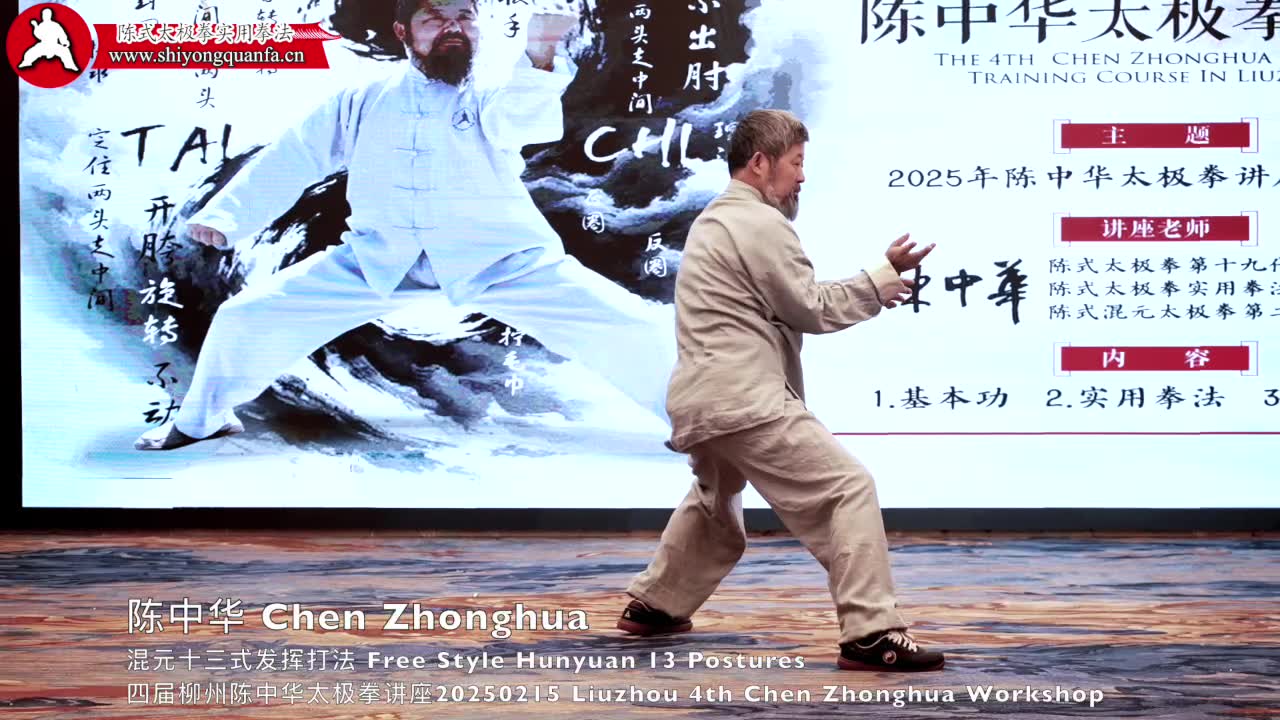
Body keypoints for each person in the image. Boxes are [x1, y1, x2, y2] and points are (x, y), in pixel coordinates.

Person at [135, 0, 675, 451]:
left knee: (633, 324)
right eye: (435, 18)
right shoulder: (363, 99)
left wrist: (540, 53)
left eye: (464, 17)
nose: (452, 28)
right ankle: (202, 421)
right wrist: (229, 218)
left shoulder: (490, 91)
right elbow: (297, 154)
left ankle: (703, 421)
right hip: (378, 257)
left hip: (501, 258)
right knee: (245, 318)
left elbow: (519, 120)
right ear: (403, 32)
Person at [616, 109, 944, 672]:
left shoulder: (716, 220)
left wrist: (876, 278)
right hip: (744, 398)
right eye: (796, 163)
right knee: (847, 489)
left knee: (715, 506)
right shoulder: (759, 222)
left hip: (703, 399)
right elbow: (808, 306)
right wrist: (879, 280)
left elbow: (786, 303)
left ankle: (656, 606)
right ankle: (872, 634)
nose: (802, 177)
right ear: (760, 163)